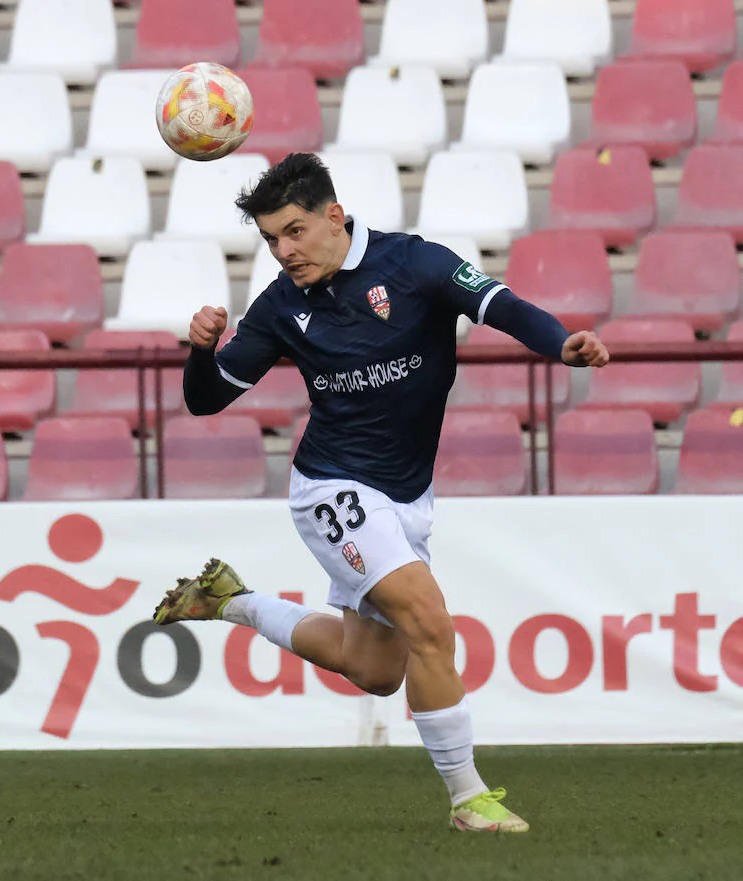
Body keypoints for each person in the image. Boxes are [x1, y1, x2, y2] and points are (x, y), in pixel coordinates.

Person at [153, 153, 610, 833]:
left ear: (334, 216)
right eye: (272, 239)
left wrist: (560, 344)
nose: (284, 251)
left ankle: (232, 600)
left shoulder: (415, 265)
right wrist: (200, 350)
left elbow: (500, 305)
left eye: (295, 231)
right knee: (430, 621)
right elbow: (207, 400)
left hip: (405, 496)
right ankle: (468, 799)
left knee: (376, 670)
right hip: (331, 487)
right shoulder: (281, 306)